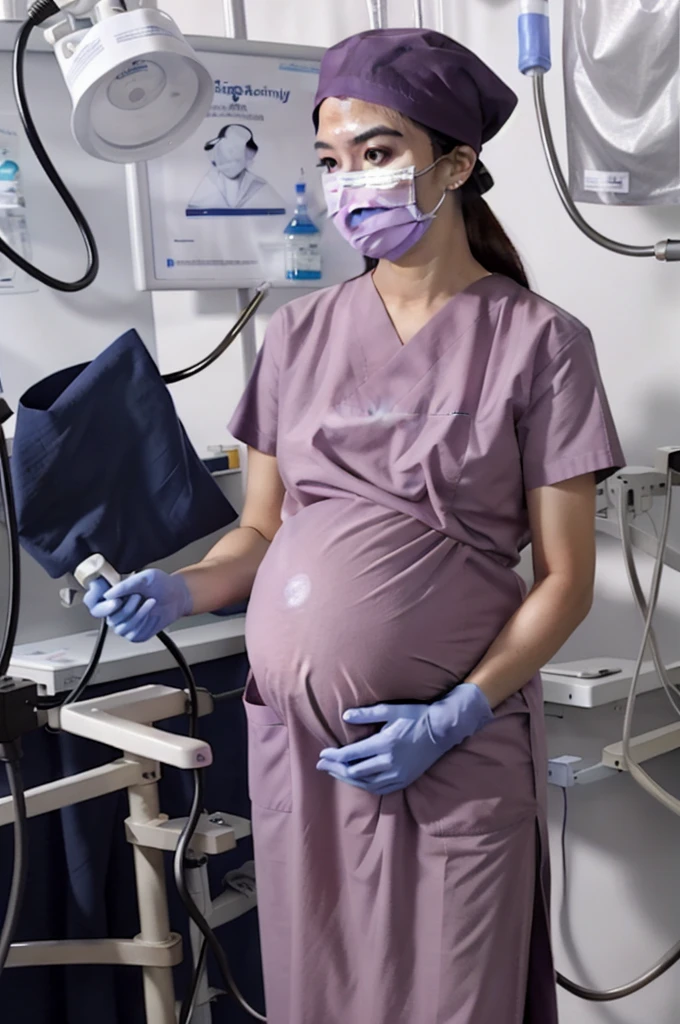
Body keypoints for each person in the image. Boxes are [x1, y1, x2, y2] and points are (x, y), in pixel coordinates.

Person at [85, 28, 625, 1024]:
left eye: (376, 154)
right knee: (321, 990)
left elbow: (563, 578)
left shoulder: (540, 343)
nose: (347, 184)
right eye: (330, 162)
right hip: (307, 757)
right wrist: (177, 587)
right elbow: (256, 536)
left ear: (454, 165)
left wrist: (455, 713)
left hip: (449, 751)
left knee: (454, 996)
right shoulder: (295, 336)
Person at [186, 122, 286, 214]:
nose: (230, 159)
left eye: (237, 151)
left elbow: (280, 213)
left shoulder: (260, 187)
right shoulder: (209, 183)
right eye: (229, 151)